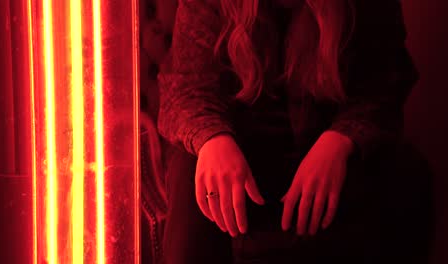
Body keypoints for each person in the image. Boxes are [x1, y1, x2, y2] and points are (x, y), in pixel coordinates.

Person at [157, 0, 418, 263]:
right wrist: (212, 139)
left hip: (325, 147)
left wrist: (341, 140)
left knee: (399, 173)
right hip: (239, 151)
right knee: (191, 172)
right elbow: (186, 85)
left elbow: (385, 82)